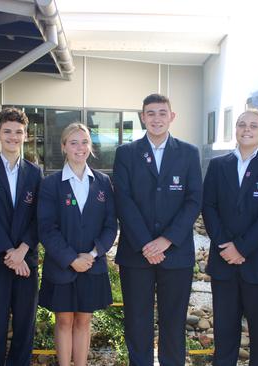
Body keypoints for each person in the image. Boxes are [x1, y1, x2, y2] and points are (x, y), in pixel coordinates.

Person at [113, 93, 203, 366]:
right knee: (137, 322)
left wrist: (165, 240)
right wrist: (145, 244)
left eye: (162, 113)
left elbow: (194, 200)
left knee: (173, 324)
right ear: (142, 117)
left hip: (175, 254)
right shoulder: (126, 153)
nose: (156, 118)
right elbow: (123, 200)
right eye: (150, 113)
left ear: (172, 117)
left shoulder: (189, 153)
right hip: (135, 254)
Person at [202, 108, 258, 366]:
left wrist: (241, 248)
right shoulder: (218, 165)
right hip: (224, 264)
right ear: (236, 130)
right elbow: (209, 207)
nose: (246, 129)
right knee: (224, 335)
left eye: (253, 125)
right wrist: (225, 246)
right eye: (242, 124)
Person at [37, 122, 117, 366]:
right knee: (63, 321)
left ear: (90, 147)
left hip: (92, 265)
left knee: (83, 321)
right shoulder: (51, 184)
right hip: (62, 266)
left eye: (84, 142)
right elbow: (46, 228)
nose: (79, 147)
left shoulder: (103, 182)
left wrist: (92, 254)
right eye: (73, 142)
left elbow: (110, 225)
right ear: (64, 147)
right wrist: (72, 258)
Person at [0, 107, 43, 365]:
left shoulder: (35, 173)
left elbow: (40, 217)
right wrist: (8, 253)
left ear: (26, 136)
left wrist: (22, 250)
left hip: (26, 263)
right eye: (7, 132)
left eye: (18, 132)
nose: (13, 137)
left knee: (25, 325)